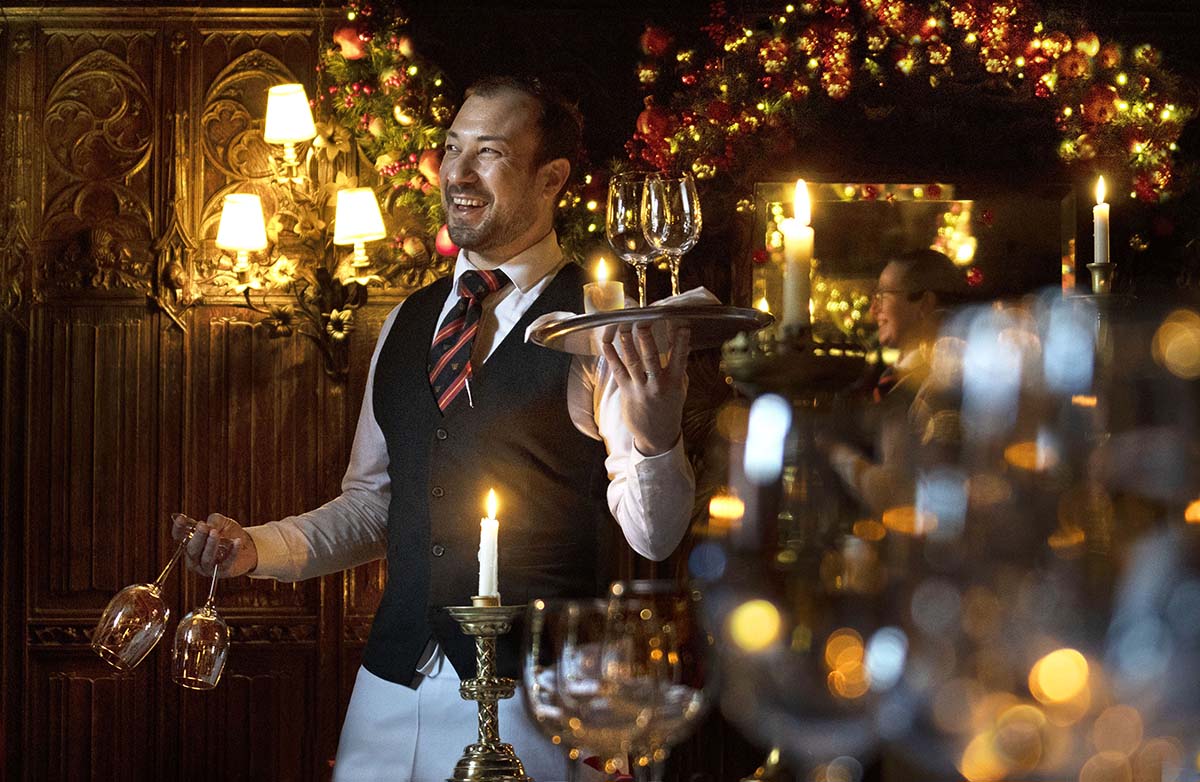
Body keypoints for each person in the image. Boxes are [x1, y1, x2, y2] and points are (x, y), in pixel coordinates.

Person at [175, 75, 696, 781]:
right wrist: (253, 549)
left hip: (539, 697)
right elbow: (373, 504)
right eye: (452, 148)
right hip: (391, 687)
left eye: (489, 152)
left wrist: (659, 439)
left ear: (552, 179)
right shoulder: (405, 321)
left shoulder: (597, 327)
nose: (457, 171)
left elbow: (653, 533)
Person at [822, 248, 967, 517]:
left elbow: (899, 495)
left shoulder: (945, 384)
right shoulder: (888, 379)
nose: (873, 309)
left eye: (883, 296)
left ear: (924, 303)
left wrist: (831, 451)